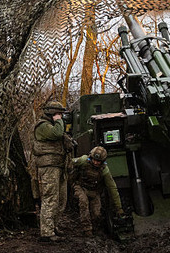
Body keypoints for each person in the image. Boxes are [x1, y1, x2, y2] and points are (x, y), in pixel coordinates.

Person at [31, 101, 70, 243]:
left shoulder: (52, 125)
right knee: (50, 198)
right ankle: (46, 233)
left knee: (61, 200)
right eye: (58, 113)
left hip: (58, 166)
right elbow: (57, 133)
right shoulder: (42, 126)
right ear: (52, 113)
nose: (60, 116)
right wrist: (59, 121)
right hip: (48, 167)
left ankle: (53, 227)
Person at [71, 146, 124, 235]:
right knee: (83, 202)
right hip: (80, 187)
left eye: (98, 161)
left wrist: (118, 208)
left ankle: (96, 229)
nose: (95, 162)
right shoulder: (83, 161)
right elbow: (70, 163)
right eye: (94, 160)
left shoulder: (104, 170)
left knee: (96, 213)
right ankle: (87, 229)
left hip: (94, 191)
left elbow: (112, 188)